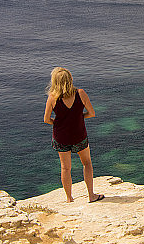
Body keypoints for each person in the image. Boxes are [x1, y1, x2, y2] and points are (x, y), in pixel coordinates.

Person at [43, 67, 104, 203]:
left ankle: (69, 198)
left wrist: (59, 123)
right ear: (70, 79)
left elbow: (46, 119)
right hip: (79, 135)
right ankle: (91, 196)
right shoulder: (80, 93)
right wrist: (78, 117)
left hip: (61, 137)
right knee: (87, 163)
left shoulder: (52, 98)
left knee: (65, 168)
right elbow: (92, 113)